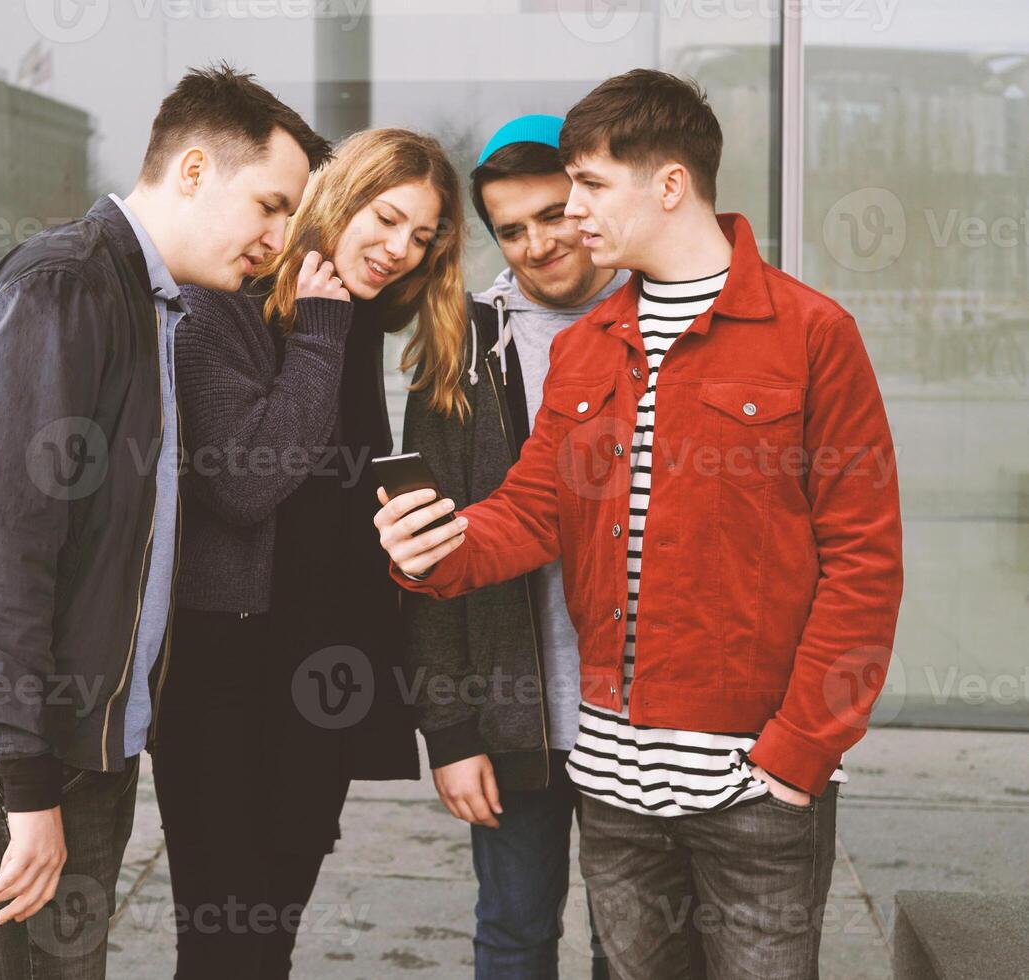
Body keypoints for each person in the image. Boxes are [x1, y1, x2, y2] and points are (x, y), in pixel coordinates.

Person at [376, 70, 903, 980]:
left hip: (755, 786)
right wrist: (436, 553)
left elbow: (864, 564)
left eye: (587, 186)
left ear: (667, 185)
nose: (570, 213)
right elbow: (534, 511)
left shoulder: (813, 334)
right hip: (613, 780)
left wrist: (797, 753)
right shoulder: (588, 345)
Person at [0, 64, 330, 979]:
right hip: (9, 748)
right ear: (197, 169)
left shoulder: (150, 301)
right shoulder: (67, 288)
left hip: (76, 735)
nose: (280, 242)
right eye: (273, 207)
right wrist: (26, 783)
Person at [156, 127, 468, 979]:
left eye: (422, 237)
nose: (401, 250)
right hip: (224, 677)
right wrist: (323, 332)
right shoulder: (221, 303)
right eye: (389, 218)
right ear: (340, 197)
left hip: (320, 676)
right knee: (224, 942)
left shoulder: (354, 315)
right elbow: (250, 483)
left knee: (272, 936)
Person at [400, 114, 628, 980]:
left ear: (589, 201)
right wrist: (449, 733)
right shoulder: (462, 344)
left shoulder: (657, 319)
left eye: (553, 214)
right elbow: (424, 554)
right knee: (514, 933)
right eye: (512, 229)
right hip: (511, 714)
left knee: (637, 944)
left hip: (637, 718)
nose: (537, 244)